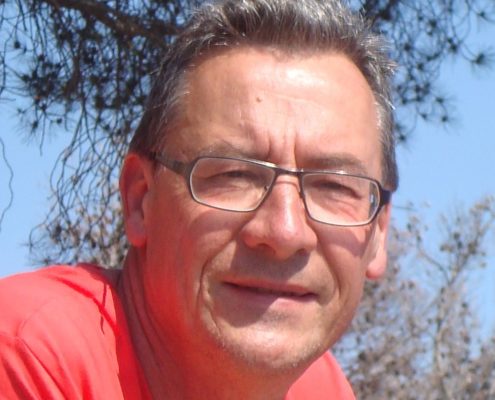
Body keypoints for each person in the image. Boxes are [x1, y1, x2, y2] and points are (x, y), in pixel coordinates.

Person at [0, 0, 399, 398]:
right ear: (140, 200)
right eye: (234, 175)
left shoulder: (319, 388)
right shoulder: (30, 356)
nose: (284, 232)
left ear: (378, 232)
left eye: (334, 187)